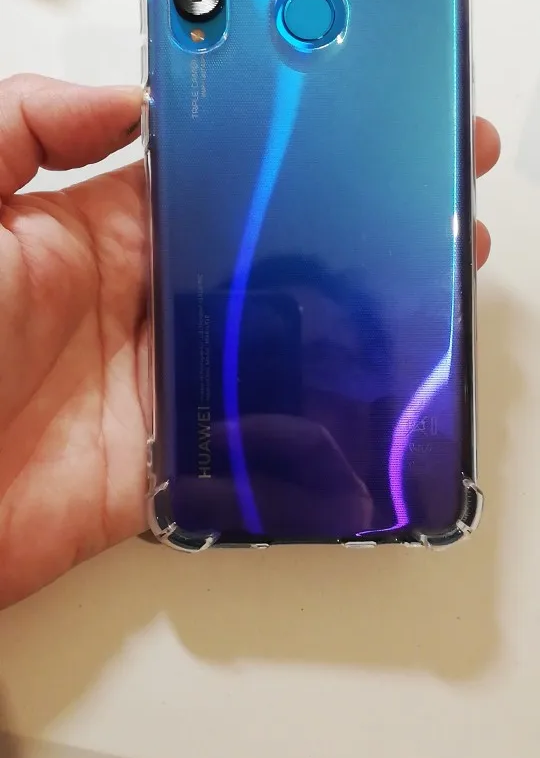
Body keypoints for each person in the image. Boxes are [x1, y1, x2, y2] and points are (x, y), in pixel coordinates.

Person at [0, 75, 501, 609]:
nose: (301, 376)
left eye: (332, 357)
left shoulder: (409, 489)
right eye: (271, 346)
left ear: (383, 387)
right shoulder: (171, 470)